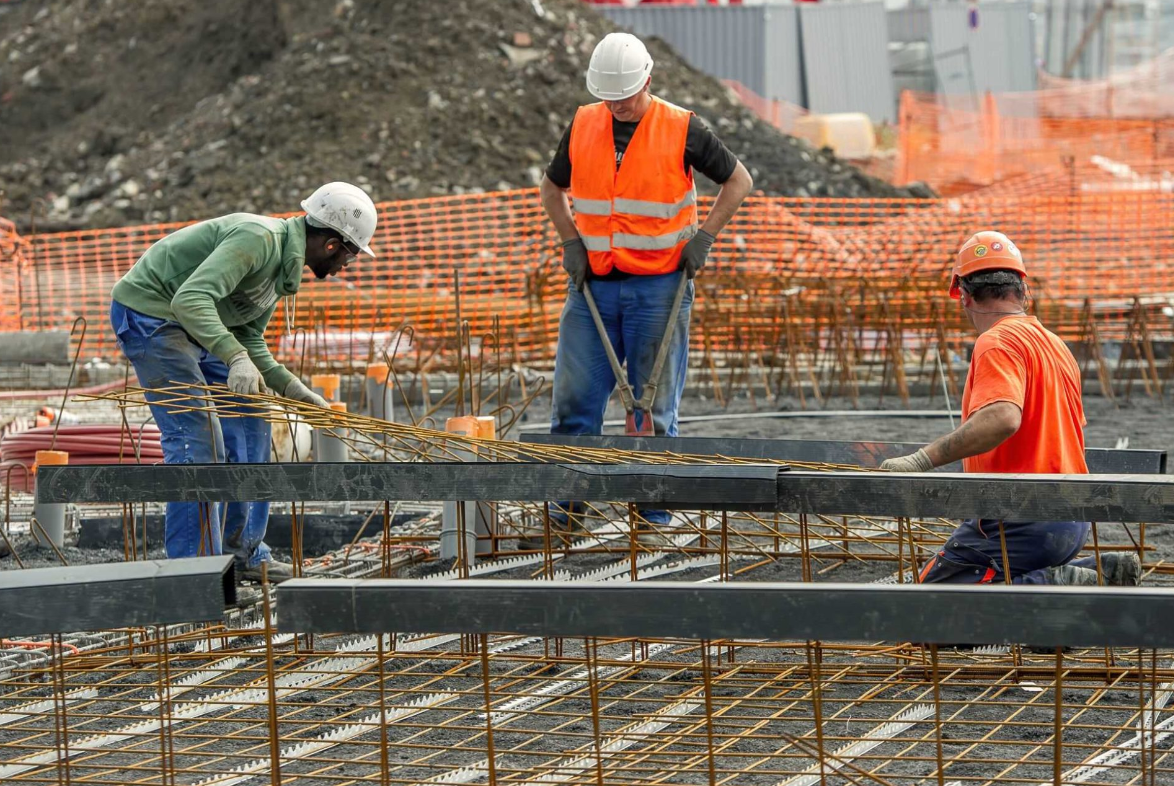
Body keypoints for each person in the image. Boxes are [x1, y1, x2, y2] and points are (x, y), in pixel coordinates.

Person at [530, 32, 753, 547]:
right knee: (574, 404)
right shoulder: (585, 122)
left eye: (627, 96)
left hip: (659, 287)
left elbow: (738, 180)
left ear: (647, 82)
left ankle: (652, 518)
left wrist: (705, 236)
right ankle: (566, 512)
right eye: (611, 98)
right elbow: (551, 186)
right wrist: (571, 242)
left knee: (649, 409)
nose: (619, 106)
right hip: (594, 288)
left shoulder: (681, 127)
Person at [109, 182, 377, 582]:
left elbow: (249, 335)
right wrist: (234, 358)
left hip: (199, 324)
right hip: (154, 315)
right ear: (332, 245)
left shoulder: (282, 269)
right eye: (352, 255)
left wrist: (293, 390)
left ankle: (244, 551)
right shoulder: (259, 240)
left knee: (253, 420)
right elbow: (190, 299)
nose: (348, 267)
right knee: (197, 438)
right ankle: (194, 575)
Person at [881, 231, 1140, 586]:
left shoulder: (997, 340)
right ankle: (1096, 573)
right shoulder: (1054, 344)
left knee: (933, 605)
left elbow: (1002, 417)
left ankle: (1057, 583)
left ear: (965, 297)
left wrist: (921, 459)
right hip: (1073, 516)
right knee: (994, 596)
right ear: (1023, 292)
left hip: (1022, 514)